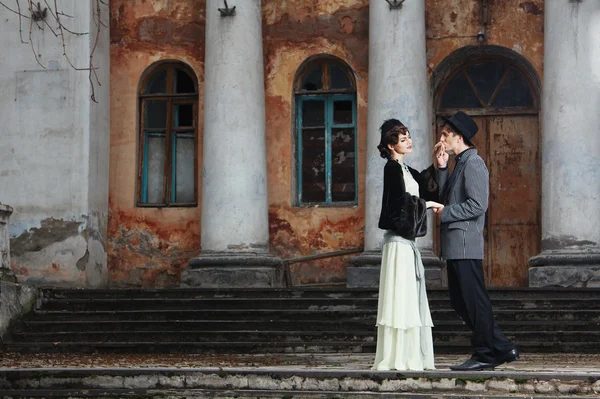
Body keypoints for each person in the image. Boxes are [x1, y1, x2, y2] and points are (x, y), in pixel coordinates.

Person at [432, 111, 519, 371]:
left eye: (446, 134)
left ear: (459, 137)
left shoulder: (474, 163)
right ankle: (501, 347)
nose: (441, 138)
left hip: (466, 243)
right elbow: (447, 193)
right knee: (461, 301)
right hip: (456, 244)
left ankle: (484, 353)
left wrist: (445, 212)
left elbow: (478, 205)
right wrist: (442, 168)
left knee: (473, 300)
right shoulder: (460, 163)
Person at [372, 119, 443, 371]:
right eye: (403, 139)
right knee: (400, 298)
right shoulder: (391, 169)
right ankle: (396, 358)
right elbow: (397, 206)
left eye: (409, 137)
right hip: (398, 244)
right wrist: (429, 206)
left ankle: (409, 356)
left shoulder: (406, 169)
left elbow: (426, 188)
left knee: (408, 298)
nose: (409, 141)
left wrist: (439, 165)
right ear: (391, 145)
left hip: (406, 244)